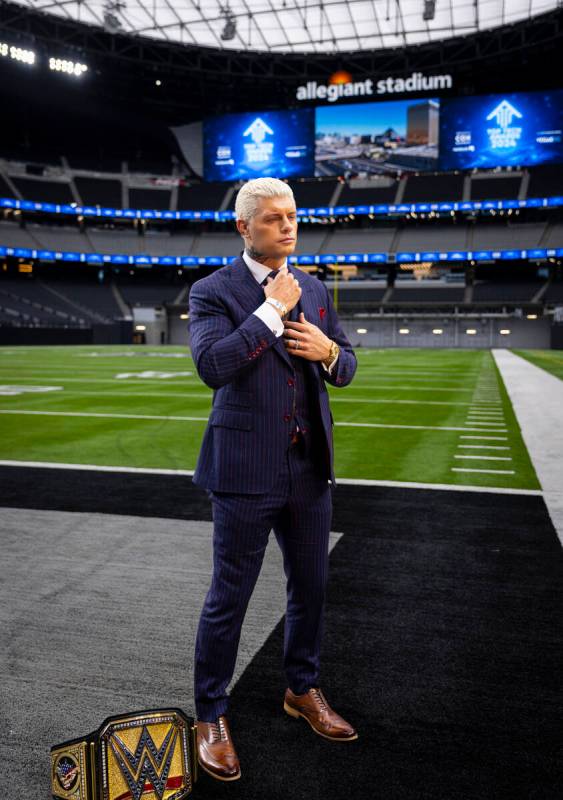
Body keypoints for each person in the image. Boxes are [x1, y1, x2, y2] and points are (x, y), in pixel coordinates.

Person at [188, 176, 358, 782]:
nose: (288, 226)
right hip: (244, 471)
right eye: (272, 219)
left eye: (292, 216)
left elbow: (348, 363)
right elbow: (213, 366)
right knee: (228, 599)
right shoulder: (213, 291)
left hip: (309, 469)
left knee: (309, 589)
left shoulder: (313, 287)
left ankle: (301, 689)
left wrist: (329, 354)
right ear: (243, 227)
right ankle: (210, 714)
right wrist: (271, 312)